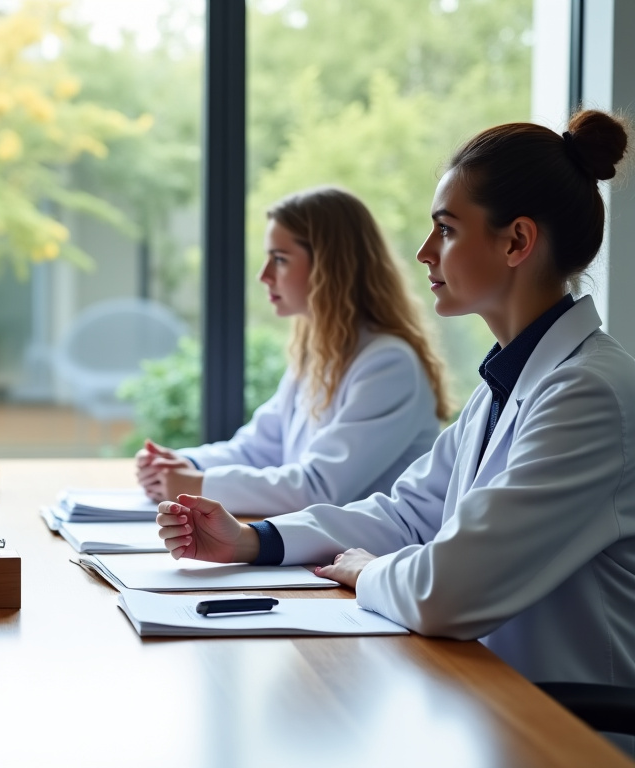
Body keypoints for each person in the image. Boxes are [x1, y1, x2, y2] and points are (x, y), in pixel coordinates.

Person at [157, 110, 635, 689]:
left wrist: (367, 570)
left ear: (517, 241)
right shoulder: (508, 385)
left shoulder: (588, 394)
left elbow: (450, 590)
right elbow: (407, 513)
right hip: (488, 696)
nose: (424, 251)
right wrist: (251, 540)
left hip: (567, 730)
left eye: (447, 229)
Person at [136, 187, 448, 516]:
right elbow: (258, 449)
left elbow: (317, 488)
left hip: (368, 558)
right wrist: (181, 463)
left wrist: (193, 486)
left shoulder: (389, 366)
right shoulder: (318, 352)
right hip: (322, 550)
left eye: (280, 260)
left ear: (330, 267)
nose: (264, 276)